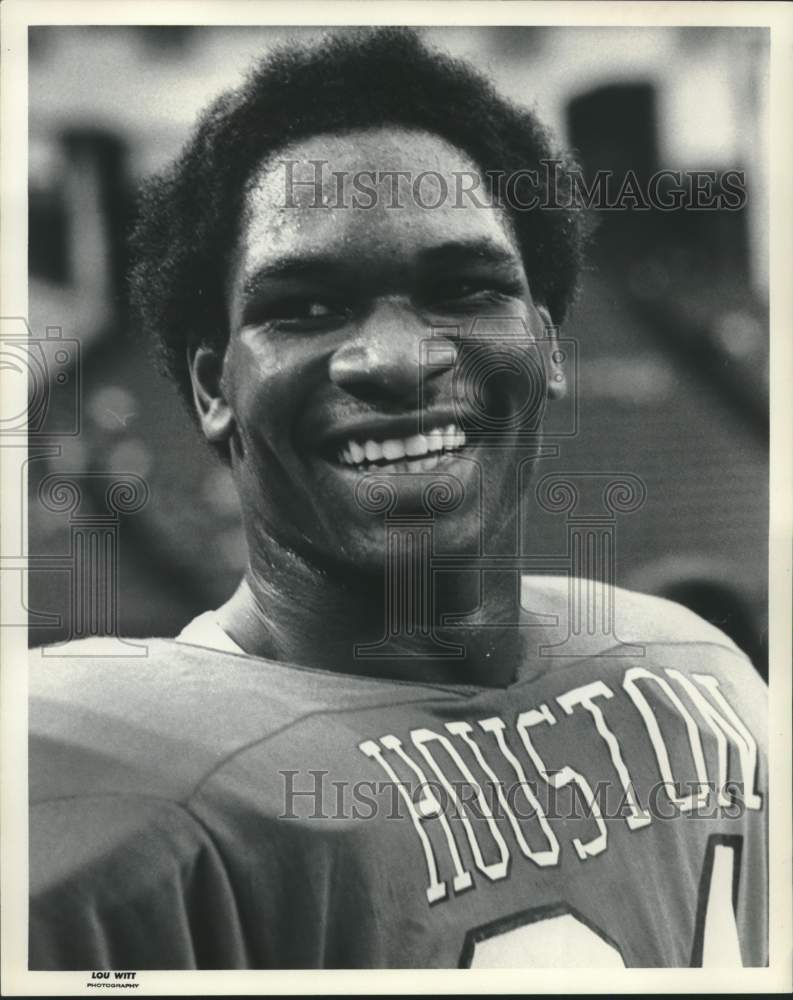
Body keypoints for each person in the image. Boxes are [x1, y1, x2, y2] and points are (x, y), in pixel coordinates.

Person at [29, 28, 767, 969]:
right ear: (213, 389)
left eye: (462, 287)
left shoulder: (699, 681)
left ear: (546, 348)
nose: (396, 359)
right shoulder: (89, 786)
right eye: (303, 306)